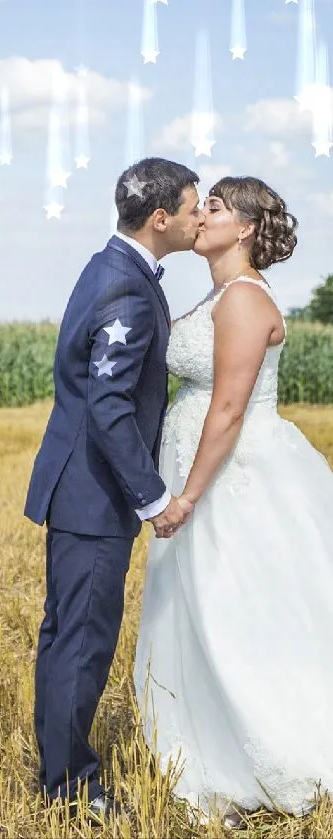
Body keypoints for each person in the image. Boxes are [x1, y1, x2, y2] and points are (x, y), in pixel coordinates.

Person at [134, 175, 333, 829]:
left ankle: (266, 752)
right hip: (202, 473)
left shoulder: (245, 298)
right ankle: (206, 731)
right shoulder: (218, 293)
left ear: (244, 227)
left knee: (233, 612)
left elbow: (227, 407)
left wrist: (186, 493)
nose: (201, 214)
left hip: (230, 480)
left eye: (214, 207)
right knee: (201, 611)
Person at [23, 157, 201, 823]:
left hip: (76, 490)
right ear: (160, 218)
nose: (196, 216)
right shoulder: (125, 287)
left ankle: (56, 768)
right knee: (83, 639)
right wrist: (152, 497)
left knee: (66, 632)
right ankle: (70, 784)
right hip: (94, 496)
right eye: (190, 206)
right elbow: (109, 406)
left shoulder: (111, 267)